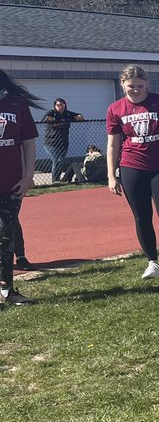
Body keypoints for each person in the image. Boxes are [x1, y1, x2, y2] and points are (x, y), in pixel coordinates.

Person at [105, 65, 159, 280]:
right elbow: (112, 144)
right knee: (142, 217)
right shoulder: (115, 109)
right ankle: (152, 262)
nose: (135, 90)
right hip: (131, 167)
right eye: (131, 86)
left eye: (140, 86)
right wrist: (111, 175)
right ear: (122, 85)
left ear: (147, 84)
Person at [0, 69, 40, 305]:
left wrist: (28, 177)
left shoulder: (16, 104)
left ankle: (7, 290)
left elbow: (28, 144)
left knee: (5, 236)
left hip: (11, 183)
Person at [42, 97, 85, 183]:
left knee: (60, 160)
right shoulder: (52, 113)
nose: (60, 107)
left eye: (62, 105)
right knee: (57, 159)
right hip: (51, 143)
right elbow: (45, 119)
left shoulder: (67, 114)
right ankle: (55, 180)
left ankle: (62, 179)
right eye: (58, 105)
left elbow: (80, 117)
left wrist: (71, 118)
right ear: (55, 106)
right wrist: (59, 120)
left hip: (63, 143)